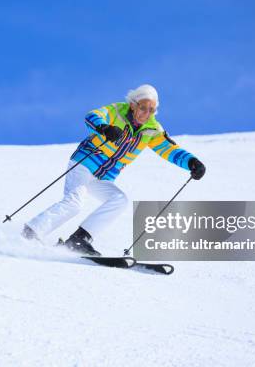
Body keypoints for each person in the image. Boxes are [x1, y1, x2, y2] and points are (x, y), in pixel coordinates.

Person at [22, 84, 206, 256]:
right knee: (74, 203)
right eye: (143, 108)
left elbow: (169, 149)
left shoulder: (153, 129)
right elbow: (92, 116)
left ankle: (79, 239)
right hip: (84, 164)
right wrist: (104, 128)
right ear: (133, 105)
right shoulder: (117, 111)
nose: (146, 113)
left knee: (119, 200)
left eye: (151, 110)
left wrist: (191, 162)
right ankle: (31, 232)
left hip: (103, 177)